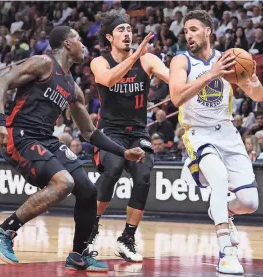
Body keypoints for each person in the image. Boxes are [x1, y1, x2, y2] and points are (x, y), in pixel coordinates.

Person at [0, 26, 145, 271]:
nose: (84, 45)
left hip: (45, 139)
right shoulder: (43, 63)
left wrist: (123, 151)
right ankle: (3, 232)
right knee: (64, 182)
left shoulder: (72, 87)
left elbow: (89, 132)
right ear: (67, 44)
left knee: (88, 190)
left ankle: (78, 254)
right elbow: (0, 82)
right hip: (21, 135)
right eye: (79, 40)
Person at [169, 10, 263, 275]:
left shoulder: (229, 59)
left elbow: (258, 96)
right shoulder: (181, 60)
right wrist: (210, 74)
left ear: (208, 31)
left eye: (194, 29)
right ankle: (227, 253)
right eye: (186, 30)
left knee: (249, 202)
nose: (188, 35)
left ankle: (222, 211)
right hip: (197, 132)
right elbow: (176, 97)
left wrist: (251, 78)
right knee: (219, 180)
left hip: (227, 132)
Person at [89, 10, 169, 262]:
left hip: (137, 132)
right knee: (112, 170)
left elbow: (174, 79)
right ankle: (89, 231)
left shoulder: (148, 60)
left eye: (129, 30)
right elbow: (109, 80)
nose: (127, 34)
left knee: (144, 176)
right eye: (121, 30)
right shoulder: (99, 61)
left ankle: (127, 238)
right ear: (110, 37)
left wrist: (206, 76)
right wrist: (136, 55)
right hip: (109, 132)